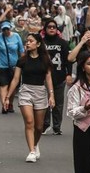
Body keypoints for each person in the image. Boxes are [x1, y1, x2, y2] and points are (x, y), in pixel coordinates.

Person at [4, 33, 55, 162]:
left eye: (31, 41)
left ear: (38, 44)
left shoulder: (45, 60)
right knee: (29, 121)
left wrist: (51, 95)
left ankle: (35, 144)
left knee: (39, 127)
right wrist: (7, 97)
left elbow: (48, 78)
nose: (27, 43)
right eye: (26, 41)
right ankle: (31, 151)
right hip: (26, 90)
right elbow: (15, 79)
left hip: (40, 92)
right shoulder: (22, 60)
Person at [42, 19, 72, 135]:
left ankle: (56, 126)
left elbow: (68, 60)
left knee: (58, 104)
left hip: (59, 77)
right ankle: (45, 124)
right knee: (44, 102)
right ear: (45, 29)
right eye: (49, 27)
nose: (51, 29)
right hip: (43, 78)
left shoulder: (63, 43)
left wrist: (69, 74)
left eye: (54, 27)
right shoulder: (41, 43)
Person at [0, 21, 25, 114]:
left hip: (14, 65)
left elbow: (21, 50)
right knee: (3, 85)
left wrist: (22, 63)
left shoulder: (16, 36)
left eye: (7, 29)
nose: (6, 31)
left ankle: (10, 103)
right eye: (4, 29)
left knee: (13, 86)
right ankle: (4, 105)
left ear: (10, 28)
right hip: (0, 65)